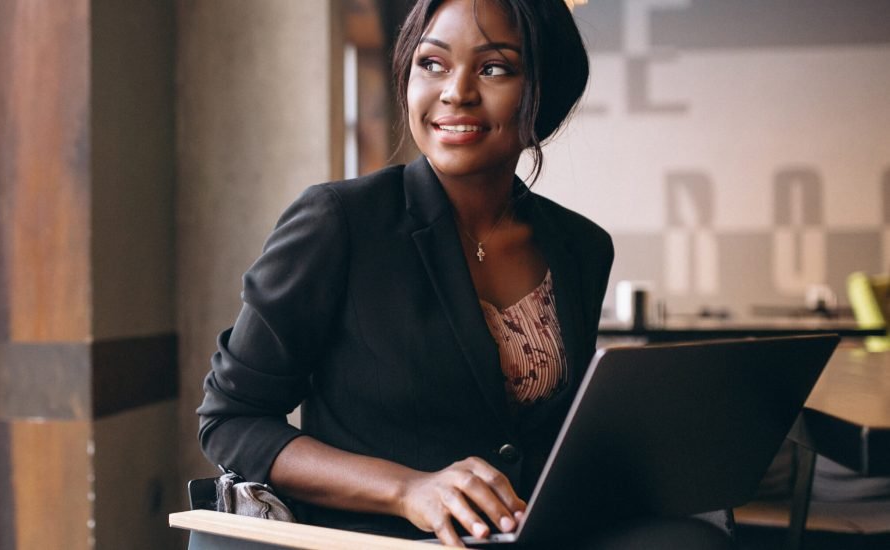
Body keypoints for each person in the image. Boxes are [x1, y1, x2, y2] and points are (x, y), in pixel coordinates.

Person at [197, 0, 729, 547]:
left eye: (494, 67)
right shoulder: (339, 223)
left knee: (696, 539)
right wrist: (409, 490)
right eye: (432, 64)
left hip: (522, 534)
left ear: (544, 91)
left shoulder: (581, 247)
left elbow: (550, 436)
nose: (456, 91)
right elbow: (230, 421)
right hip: (384, 539)